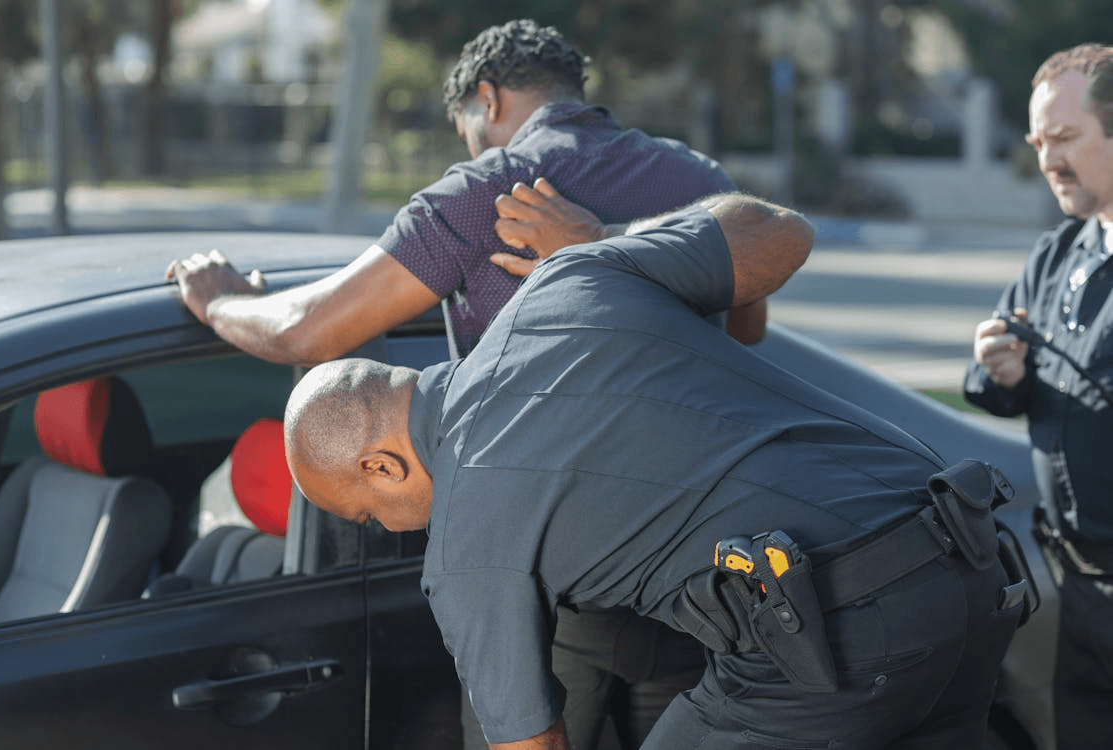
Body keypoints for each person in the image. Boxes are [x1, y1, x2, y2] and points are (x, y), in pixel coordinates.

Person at [165, 19, 759, 749]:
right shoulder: (700, 180)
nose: (471, 150)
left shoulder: (490, 191)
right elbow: (749, 333)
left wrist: (217, 297)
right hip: (696, 557)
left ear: (488, 99)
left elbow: (309, 332)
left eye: (467, 132)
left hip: (549, 565)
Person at [285, 191, 1024, 750]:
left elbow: (526, 743)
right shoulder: (564, 282)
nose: (385, 527)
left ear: (380, 463)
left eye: (367, 514)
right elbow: (780, 231)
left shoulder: (463, 546)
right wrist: (602, 241)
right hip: (970, 560)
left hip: (840, 636)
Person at [965, 43, 1113, 750]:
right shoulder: (1057, 252)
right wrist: (1002, 374)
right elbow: (1002, 390)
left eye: (1064, 138)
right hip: (1073, 579)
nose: (1046, 159)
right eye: (1036, 141)